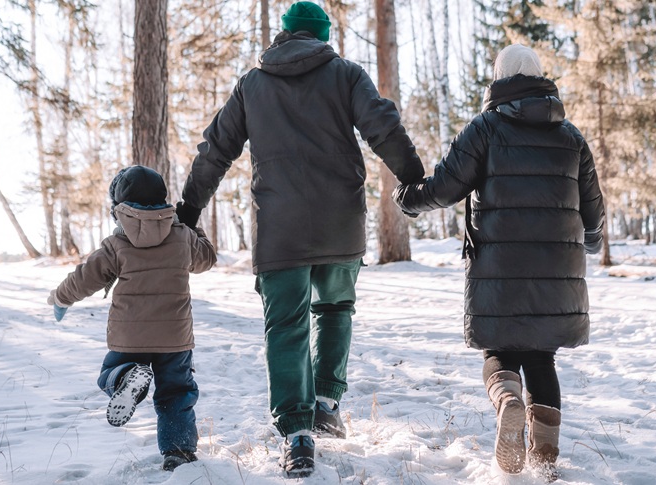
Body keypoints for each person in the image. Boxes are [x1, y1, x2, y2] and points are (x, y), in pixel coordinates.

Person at [174, 1, 424, 478]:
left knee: (285, 326)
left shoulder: (253, 84)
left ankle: (297, 435)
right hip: (340, 222)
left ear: (285, 35)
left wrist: (190, 208)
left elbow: (216, 151)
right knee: (334, 309)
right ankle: (326, 403)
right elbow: (383, 127)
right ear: (321, 36)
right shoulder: (346, 75)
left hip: (279, 230)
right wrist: (413, 179)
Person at [392, 44, 605, 480]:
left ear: (499, 79)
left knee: (499, 349)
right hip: (556, 271)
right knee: (541, 358)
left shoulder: (486, 129)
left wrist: (408, 199)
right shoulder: (571, 137)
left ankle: (508, 400)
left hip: (497, 266)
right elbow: (593, 210)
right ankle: (544, 457)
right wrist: (591, 242)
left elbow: (444, 186)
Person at [47, 165, 217, 472]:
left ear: (118, 207)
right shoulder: (182, 236)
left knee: (109, 373)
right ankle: (179, 450)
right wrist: (193, 228)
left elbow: (84, 278)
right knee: (176, 392)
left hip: (129, 336)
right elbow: (207, 259)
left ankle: (125, 377)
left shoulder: (116, 244)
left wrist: (61, 299)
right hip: (175, 338)